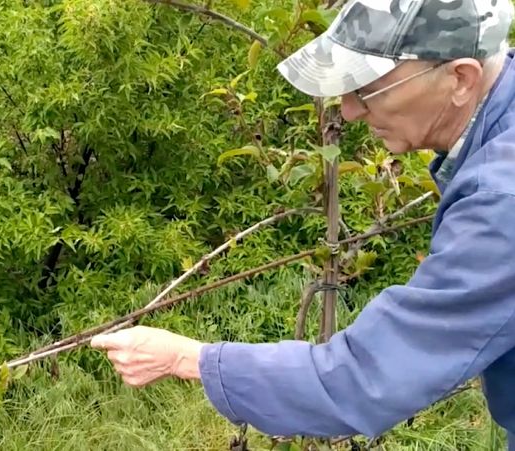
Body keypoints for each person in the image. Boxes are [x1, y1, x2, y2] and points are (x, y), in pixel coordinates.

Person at [90, 0, 515, 447]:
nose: (349, 111)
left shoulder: (500, 200)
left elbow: (368, 377)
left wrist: (186, 358)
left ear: (460, 79)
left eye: (367, 89)